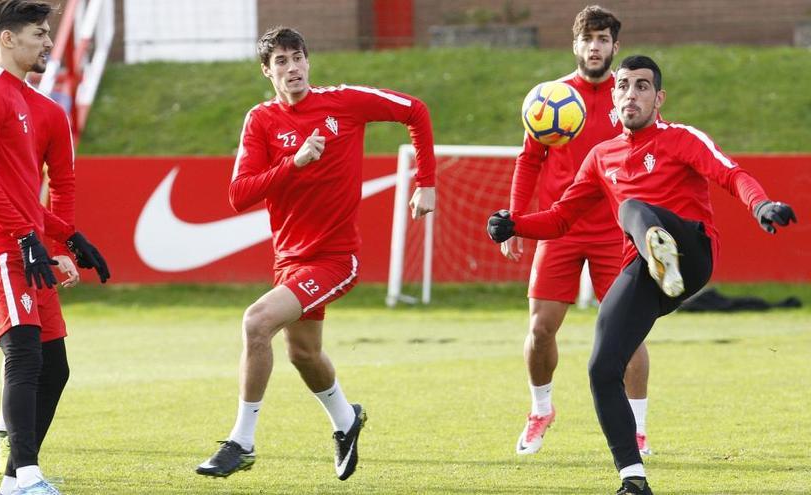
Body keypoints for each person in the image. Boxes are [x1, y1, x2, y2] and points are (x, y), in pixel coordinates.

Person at [487, 55, 796, 494]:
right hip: (648, 274)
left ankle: (661, 250)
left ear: (659, 98)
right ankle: (633, 479)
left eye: (643, 86)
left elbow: (730, 174)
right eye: (624, 86)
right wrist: (515, 224)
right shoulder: (600, 156)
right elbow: (561, 219)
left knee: (632, 208)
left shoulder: (681, 138)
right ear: (613, 98)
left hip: (693, 252)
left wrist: (761, 204)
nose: (631, 93)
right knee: (601, 367)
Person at [196, 26, 436, 482]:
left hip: (335, 257)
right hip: (289, 258)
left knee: (256, 322)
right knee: (303, 353)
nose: (293, 69)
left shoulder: (343, 102)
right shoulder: (261, 120)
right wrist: (294, 163)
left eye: (297, 58)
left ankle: (242, 442)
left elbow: (415, 110)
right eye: (281, 62)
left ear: (309, 61)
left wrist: (426, 183)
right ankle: (347, 420)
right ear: (267, 71)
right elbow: (238, 195)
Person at [0, 2, 108, 494]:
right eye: (39, 33)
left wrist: (69, 236)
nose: (47, 42)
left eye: (48, 33)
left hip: (28, 247)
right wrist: (24, 236)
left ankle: (15, 479)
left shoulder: (29, 102)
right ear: (7, 40)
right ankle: (27, 477)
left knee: (54, 366)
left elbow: (28, 195)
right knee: (23, 356)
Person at [504, 5, 652, 456]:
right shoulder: (550, 99)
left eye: (603, 39)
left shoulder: (627, 95)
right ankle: (540, 410)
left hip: (616, 232)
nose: (595, 47)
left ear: (614, 47)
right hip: (560, 228)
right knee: (540, 329)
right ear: (575, 45)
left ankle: (638, 428)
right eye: (588, 39)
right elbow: (529, 160)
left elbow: (652, 154)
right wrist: (515, 220)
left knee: (630, 335)